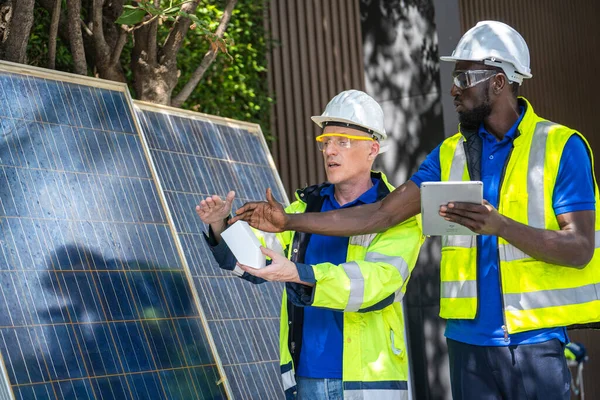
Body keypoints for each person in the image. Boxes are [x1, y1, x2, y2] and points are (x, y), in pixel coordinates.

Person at [232, 21, 600, 400]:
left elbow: (579, 248)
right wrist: (288, 220)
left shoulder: (560, 146)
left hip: (534, 342)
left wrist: (501, 226)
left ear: (499, 82)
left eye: (464, 78)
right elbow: (380, 215)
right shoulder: (447, 154)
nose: (453, 89)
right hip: (466, 343)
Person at [196, 90, 424, 400]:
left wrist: (300, 272)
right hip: (305, 376)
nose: (330, 151)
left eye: (342, 141)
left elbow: (377, 284)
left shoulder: (397, 212)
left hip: (368, 381)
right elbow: (254, 261)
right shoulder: (303, 209)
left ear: (373, 149)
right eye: (326, 142)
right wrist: (220, 224)